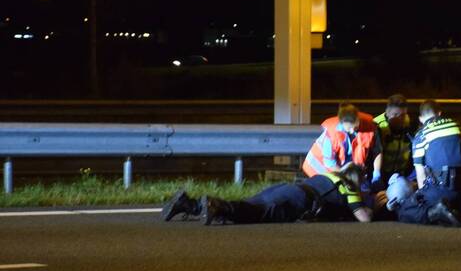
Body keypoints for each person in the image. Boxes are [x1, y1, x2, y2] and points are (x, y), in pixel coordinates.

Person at [161, 162, 377, 225]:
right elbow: (364, 218)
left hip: (287, 189)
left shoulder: (329, 174)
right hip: (298, 200)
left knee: (248, 205)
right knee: (255, 213)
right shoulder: (348, 187)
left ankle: (189, 204)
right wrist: (373, 206)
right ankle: (214, 205)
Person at [396, 100, 461, 226]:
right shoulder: (458, 127)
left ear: (420, 119)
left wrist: (423, 197)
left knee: (404, 211)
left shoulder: (421, 135)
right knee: (455, 199)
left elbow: (420, 173)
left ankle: (436, 211)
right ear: (439, 113)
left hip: (442, 188)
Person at [303, 103, 384, 186]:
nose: (353, 131)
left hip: (346, 169)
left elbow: (377, 151)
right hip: (319, 168)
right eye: (349, 129)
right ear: (341, 123)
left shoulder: (370, 125)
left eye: (356, 127)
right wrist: (348, 180)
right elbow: (330, 163)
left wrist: (376, 174)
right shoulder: (331, 133)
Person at [373, 94, 414, 190]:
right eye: (395, 115)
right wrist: (376, 175)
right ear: (387, 112)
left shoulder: (410, 125)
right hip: (381, 175)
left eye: (402, 115)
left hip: (402, 176)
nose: (399, 119)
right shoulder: (377, 126)